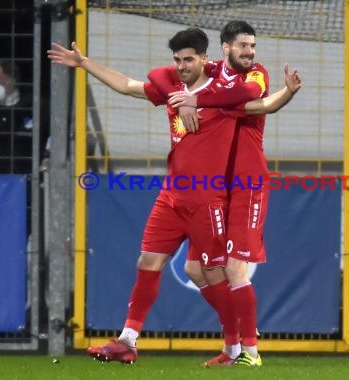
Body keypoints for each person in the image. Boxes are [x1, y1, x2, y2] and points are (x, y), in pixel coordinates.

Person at [47, 28, 300, 366]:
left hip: (207, 201)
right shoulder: (174, 91)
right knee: (148, 262)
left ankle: (240, 347)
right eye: (178, 60)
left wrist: (288, 92)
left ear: (205, 60)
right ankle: (128, 340)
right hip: (171, 197)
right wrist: (84, 63)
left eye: (188, 60)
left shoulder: (225, 96)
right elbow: (128, 85)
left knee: (216, 273)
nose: (181, 66)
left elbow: (263, 103)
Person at [148, 20, 279, 367]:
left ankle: (250, 352)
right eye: (243, 46)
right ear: (225, 49)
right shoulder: (210, 70)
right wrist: (189, 100)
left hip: (247, 185)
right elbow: (161, 74)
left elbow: (253, 98)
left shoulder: (257, 75)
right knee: (193, 269)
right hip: (214, 188)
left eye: (252, 46)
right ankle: (233, 341)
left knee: (234, 269)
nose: (250, 52)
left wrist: (196, 98)